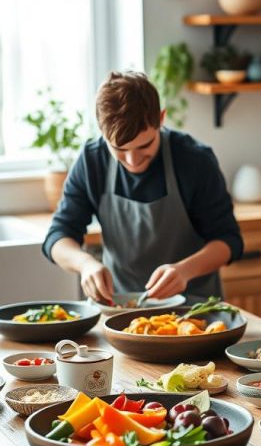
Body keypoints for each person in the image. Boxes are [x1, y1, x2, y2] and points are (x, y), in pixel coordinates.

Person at [42, 71, 243, 305]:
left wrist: (185, 270)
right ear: (102, 131)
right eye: (119, 149)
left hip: (195, 311)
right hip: (119, 311)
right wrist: (85, 264)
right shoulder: (92, 161)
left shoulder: (194, 159)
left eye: (144, 145)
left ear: (161, 118)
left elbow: (229, 240)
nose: (133, 160)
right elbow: (58, 237)